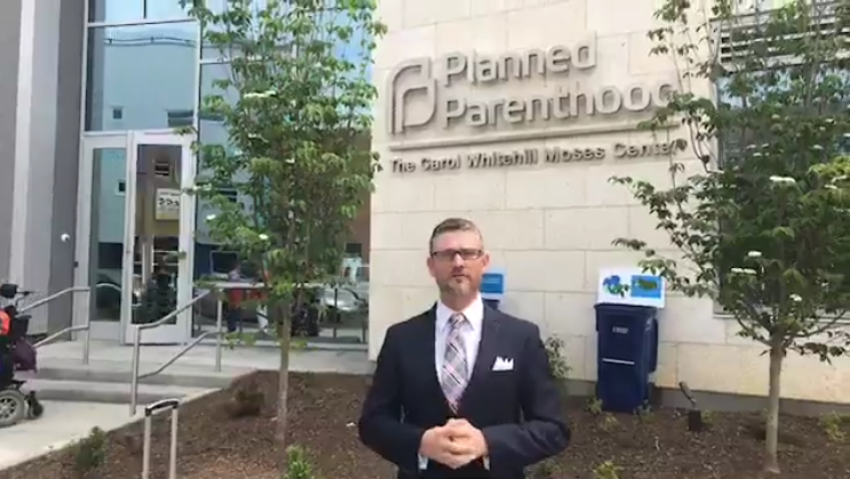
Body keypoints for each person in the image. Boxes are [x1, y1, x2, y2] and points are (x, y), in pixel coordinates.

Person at [358, 218, 570, 479]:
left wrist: (487, 443)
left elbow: (553, 429)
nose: (458, 262)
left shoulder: (521, 337)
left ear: (484, 262)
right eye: (447, 254)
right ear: (431, 266)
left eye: (468, 253)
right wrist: (421, 443)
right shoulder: (401, 338)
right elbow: (373, 423)